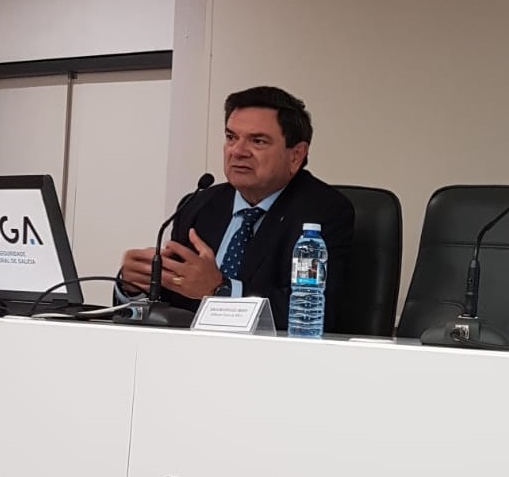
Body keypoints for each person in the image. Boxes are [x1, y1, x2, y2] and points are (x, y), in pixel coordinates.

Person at [118, 86, 354, 331]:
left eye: (258, 141)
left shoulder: (323, 211)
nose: (238, 152)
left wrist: (221, 290)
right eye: (231, 137)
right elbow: (170, 300)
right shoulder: (199, 205)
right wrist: (136, 286)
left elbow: (308, 311)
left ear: (296, 155)